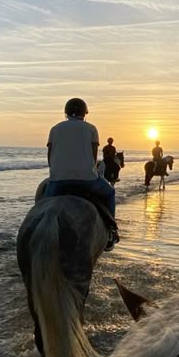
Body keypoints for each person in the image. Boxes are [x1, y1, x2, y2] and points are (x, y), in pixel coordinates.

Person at [45, 98, 118, 249]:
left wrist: (57, 172)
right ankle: (111, 231)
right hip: (87, 179)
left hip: (58, 179)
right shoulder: (91, 128)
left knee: (42, 206)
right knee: (110, 193)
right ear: (84, 113)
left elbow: (50, 156)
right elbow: (93, 156)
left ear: (66, 113)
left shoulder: (55, 129)